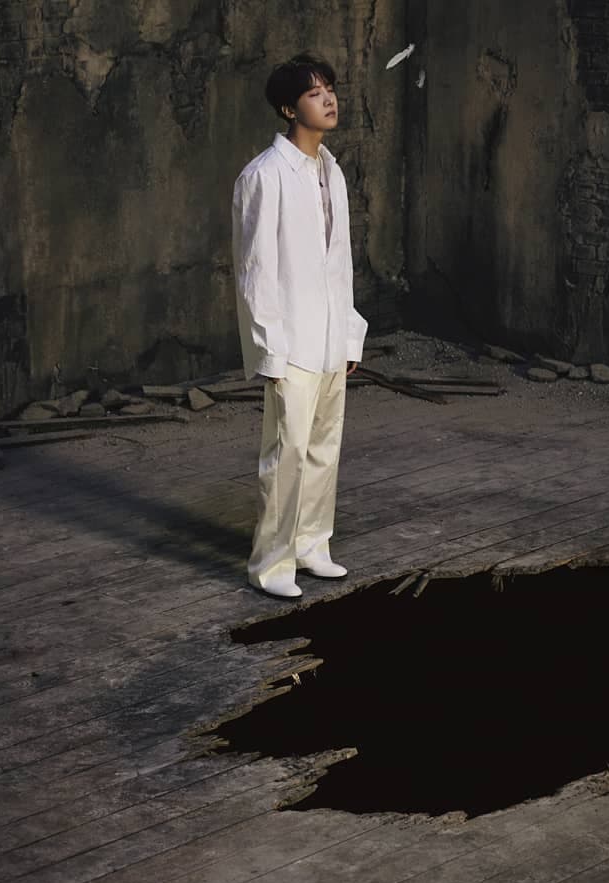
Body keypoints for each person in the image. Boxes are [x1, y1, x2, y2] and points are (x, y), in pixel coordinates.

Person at [231, 53, 369, 599]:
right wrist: (270, 349)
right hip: (291, 341)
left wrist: (349, 333)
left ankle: (312, 545)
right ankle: (271, 565)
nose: (329, 99)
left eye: (330, 88)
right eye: (315, 93)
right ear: (290, 108)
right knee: (286, 454)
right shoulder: (264, 176)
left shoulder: (330, 170)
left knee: (323, 447)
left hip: (330, 336)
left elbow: (341, 262)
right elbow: (255, 272)